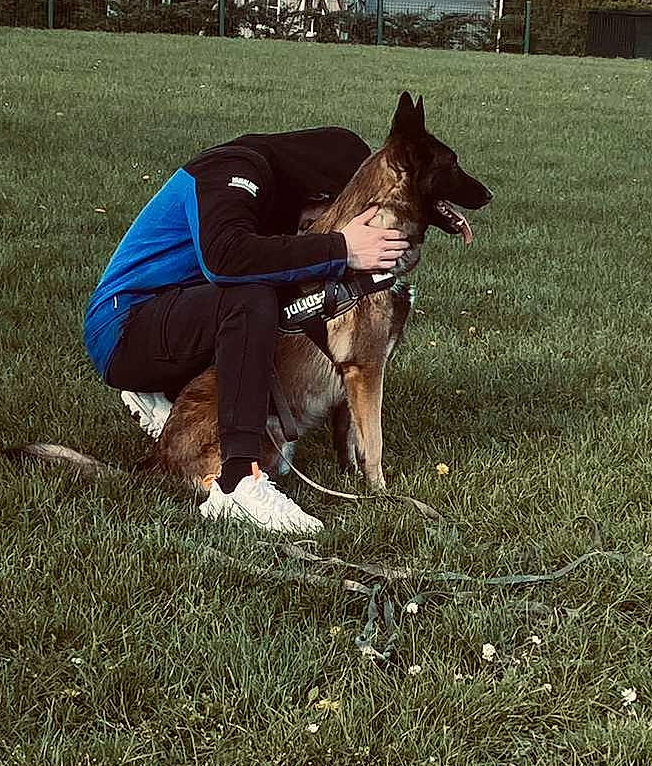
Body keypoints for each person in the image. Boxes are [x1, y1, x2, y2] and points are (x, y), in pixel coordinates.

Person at [84, 127, 410, 535]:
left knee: (264, 293)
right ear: (319, 194)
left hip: (174, 315)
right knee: (249, 298)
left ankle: (172, 400)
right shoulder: (234, 169)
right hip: (121, 329)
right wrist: (340, 247)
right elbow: (226, 260)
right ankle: (238, 481)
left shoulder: (274, 193)